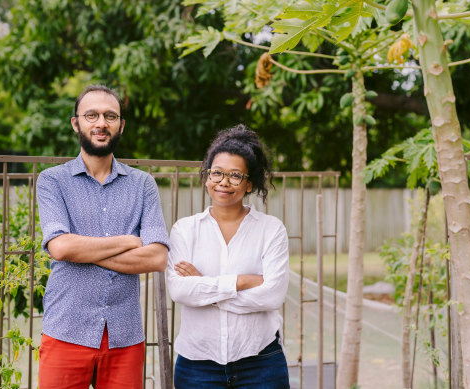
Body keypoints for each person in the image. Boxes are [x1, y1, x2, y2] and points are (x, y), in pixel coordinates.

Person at [36, 84, 169, 389]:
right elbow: (60, 247)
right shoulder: (52, 181)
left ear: (121, 125)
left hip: (125, 335)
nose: (101, 123)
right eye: (91, 115)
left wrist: (85, 250)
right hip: (66, 329)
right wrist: (128, 241)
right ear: (76, 123)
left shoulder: (143, 185)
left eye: (110, 116)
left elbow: (158, 257)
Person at [166, 124, 290, 388]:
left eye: (235, 176)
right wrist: (242, 281)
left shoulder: (271, 230)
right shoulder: (185, 230)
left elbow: (272, 295)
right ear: (207, 176)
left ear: (250, 184)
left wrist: (205, 286)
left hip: (261, 361)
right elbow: (179, 291)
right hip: (197, 366)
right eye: (217, 173)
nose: (224, 182)